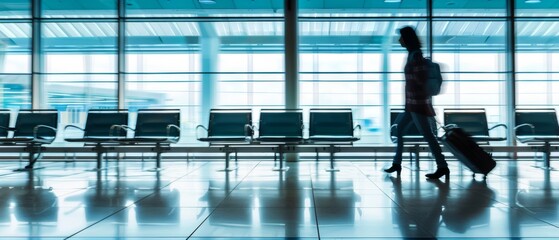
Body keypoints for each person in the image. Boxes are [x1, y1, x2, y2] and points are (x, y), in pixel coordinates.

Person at [384, 26, 449, 179]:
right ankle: (397, 163)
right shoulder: (412, 55)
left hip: (418, 105)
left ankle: (442, 166)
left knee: (428, 135)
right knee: (398, 131)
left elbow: (420, 79)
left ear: (407, 39)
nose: (399, 40)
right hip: (411, 104)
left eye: (401, 37)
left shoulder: (416, 55)